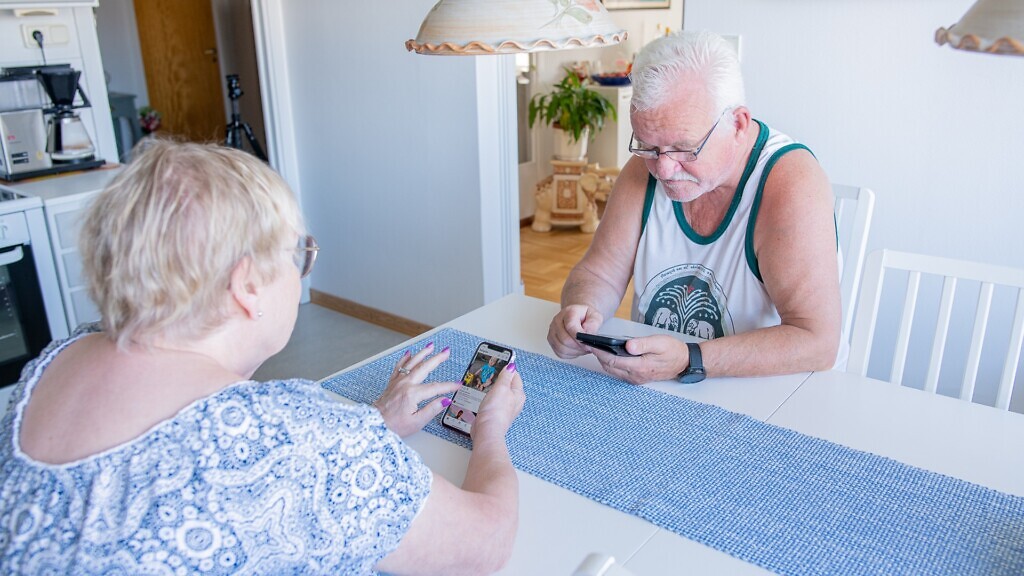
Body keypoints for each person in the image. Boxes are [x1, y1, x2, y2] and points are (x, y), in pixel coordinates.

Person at [0, 139, 525, 574]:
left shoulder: (54, 361)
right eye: (298, 254)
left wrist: (370, 428)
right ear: (247, 284)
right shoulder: (309, 442)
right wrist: (490, 430)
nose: (303, 270)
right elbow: (483, 547)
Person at [548, 30, 842, 384]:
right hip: (657, 384)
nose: (664, 169)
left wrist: (690, 359)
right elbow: (598, 274)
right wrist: (581, 311)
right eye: (648, 146)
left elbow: (818, 342)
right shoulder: (646, 167)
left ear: (738, 123)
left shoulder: (791, 182)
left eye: (685, 148)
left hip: (770, 392)